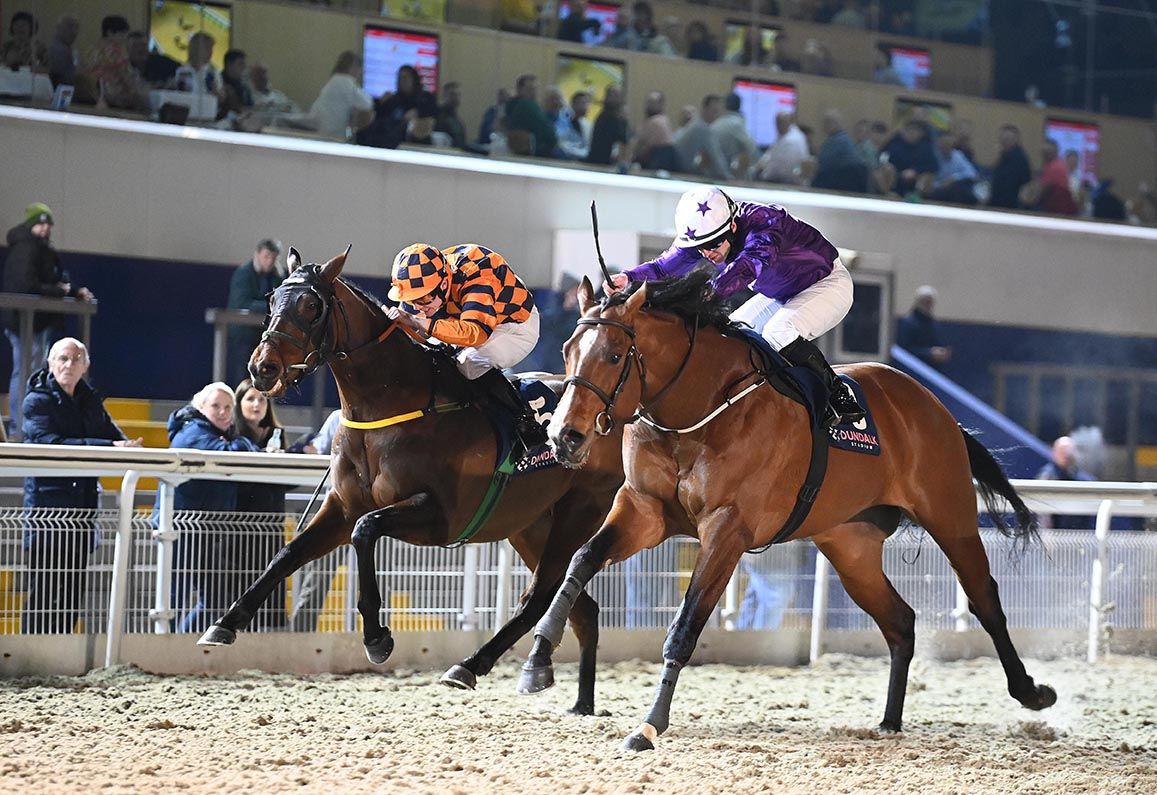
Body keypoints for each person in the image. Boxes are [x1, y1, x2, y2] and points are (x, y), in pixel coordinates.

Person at [605, 187, 864, 426]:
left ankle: (836, 394)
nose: (707, 254)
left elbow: (749, 266)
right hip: (783, 293)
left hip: (828, 283)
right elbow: (664, 266)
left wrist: (708, 292)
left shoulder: (765, 222)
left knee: (779, 331)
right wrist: (628, 277)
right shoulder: (710, 235)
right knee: (731, 333)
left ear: (732, 225)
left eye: (713, 245)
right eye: (700, 249)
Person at [20, 338, 141, 633]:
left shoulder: (89, 400)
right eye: (63, 358)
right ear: (50, 363)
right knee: (43, 592)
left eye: (76, 360)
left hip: (83, 514)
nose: (69, 365)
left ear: (86, 366)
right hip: (47, 516)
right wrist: (110, 445)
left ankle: (63, 656)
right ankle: (34, 654)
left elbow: (113, 435)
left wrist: (124, 445)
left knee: (72, 593)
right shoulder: (36, 400)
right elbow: (50, 444)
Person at [385, 243, 547, 448]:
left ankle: (525, 422)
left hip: (512, 325)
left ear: (444, 284)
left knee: (468, 364)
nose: (418, 307)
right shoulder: (422, 281)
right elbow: (415, 329)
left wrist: (418, 322)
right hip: (463, 317)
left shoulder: (478, 277)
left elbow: (475, 334)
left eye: (424, 299)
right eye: (411, 300)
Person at [167, 382, 261, 633]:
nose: (223, 412)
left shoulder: (216, 433)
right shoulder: (192, 431)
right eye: (216, 406)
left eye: (228, 407)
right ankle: (165, 645)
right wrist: (245, 443)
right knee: (174, 597)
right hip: (182, 530)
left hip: (207, 529)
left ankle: (181, 641)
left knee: (216, 600)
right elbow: (232, 452)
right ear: (200, 407)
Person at [3, 204, 95, 436]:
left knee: (34, 373)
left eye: (48, 224)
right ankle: (21, 428)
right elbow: (28, 285)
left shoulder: (41, 250)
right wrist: (62, 291)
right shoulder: (26, 249)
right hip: (24, 322)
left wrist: (72, 291)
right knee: (25, 372)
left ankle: (31, 425)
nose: (45, 229)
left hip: (38, 322)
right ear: (31, 225)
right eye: (40, 223)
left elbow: (50, 281)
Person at [231, 378, 291, 628]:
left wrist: (286, 461)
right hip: (239, 524)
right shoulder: (232, 434)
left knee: (273, 581)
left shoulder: (277, 434)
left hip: (272, 522)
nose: (257, 404)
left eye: (262, 399)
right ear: (239, 403)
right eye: (250, 399)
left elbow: (286, 484)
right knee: (241, 583)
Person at [226, 239, 286, 384]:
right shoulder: (244, 274)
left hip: (266, 334)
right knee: (243, 375)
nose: (270, 261)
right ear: (257, 254)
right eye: (266, 256)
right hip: (244, 334)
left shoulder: (278, 276)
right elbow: (242, 303)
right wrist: (271, 306)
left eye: (274, 257)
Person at [358, 64, 437, 149]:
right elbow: (380, 115)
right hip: (388, 132)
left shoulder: (425, 98)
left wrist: (418, 112)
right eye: (399, 78)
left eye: (405, 78)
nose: (401, 81)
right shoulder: (394, 99)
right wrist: (380, 102)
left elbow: (434, 111)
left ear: (414, 79)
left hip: (409, 137)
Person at [301, 51, 373, 140]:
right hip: (332, 134)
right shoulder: (345, 82)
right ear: (352, 67)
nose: (359, 73)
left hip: (322, 130)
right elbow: (366, 104)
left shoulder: (334, 80)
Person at [83, 14, 148, 111]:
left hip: (91, 95)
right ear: (110, 33)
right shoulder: (116, 52)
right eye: (122, 34)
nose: (125, 38)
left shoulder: (91, 50)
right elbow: (127, 77)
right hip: (114, 99)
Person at [1036, 436, 1095, 530]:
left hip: (1077, 535)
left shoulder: (1078, 477)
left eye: (1069, 451)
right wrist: (1048, 537)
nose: (1066, 454)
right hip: (1056, 536)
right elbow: (1043, 513)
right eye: (1062, 451)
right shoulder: (1048, 476)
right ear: (1054, 453)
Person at [673, 94, 731, 180]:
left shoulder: (695, 124)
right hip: (679, 169)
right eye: (714, 111)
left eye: (718, 112)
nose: (716, 116)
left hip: (677, 166)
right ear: (705, 109)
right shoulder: (702, 127)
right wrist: (729, 178)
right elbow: (716, 156)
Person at [810, 108, 868, 193]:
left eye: (826, 122)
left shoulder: (838, 142)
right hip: (848, 183)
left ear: (835, 123)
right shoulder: (842, 139)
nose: (823, 126)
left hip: (843, 185)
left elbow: (822, 165)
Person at [895, 286, 951, 370]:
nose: (929, 305)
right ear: (918, 302)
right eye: (926, 301)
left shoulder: (933, 324)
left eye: (930, 302)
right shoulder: (908, 323)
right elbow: (903, 350)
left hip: (932, 370)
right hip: (913, 369)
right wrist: (928, 353)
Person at [503, 74, 559, 158]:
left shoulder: (512, 105)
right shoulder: (526, 105)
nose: (534, 93)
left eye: (535, 89)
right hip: (536, 153)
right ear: (519, 90)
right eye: (530, 89)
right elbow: (549, 134)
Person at [711, 93, 759, 181]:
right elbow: (751, 148)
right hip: (728, 174)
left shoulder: (717, 123)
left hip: (713, 171)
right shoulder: (736, 124)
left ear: (725, 105)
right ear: (740, 106)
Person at [755, 112, 810, 184]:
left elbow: (781, 169)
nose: (778, 125)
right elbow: (769, 155)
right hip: (780, 179)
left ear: (789, 122)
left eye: (781, 122)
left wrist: (763, 173)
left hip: (788, 183)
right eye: (777, 122)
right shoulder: (783, 135)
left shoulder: (793, 140)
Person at [585, 84, 631, 169]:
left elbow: (623, 143)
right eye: (611, 95)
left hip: (610, 164)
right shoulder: (606, 117)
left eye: (617, 95)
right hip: (599, 162)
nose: (614, 98)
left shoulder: (618, 118)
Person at [634, 91, 680, 172]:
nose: (649, 105)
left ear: (660, 105)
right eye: (648, 102)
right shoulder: (664, 120)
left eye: (653, 102)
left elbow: (645, 146)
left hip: (657, 160)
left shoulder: (655, 121)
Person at [607, 1, 676, 56]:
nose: (641, 17)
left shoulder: (658, 41)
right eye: (638, 12)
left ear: (649, 16)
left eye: (644, 13)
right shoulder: (625, 35)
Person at [988, 124, 1032, 210]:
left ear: (1015, 140)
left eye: (1007, 139)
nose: (1004, 142)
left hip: (1008, 206)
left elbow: (1007, 187)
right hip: (1003, 203)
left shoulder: (1018, 160)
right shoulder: (1005, 156)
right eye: (1002, 139)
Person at [928, 132, 980, 205]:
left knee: (961, 189)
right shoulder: (933, 156)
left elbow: (973, 174)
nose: (946, 146)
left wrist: (953, 178)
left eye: (948, 144)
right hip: (936, 190)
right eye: (943, 143)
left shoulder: (957, 155)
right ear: (938, 143)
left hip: (954, 189)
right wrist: (940, 184)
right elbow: (928, 179)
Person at [171, 31, 224, 101]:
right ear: (195, 48)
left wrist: (216, 92)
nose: (210, 52)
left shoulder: (213, 72)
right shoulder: (180, 70)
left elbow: (221, 99)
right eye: (207, 48)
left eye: (211, 48)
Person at [557, 90, 593, 160]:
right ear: (573, 104)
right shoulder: (563, 122)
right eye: (582, 103)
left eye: (587, 103)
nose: (585, 106)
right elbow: (562, 145)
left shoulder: (589, 125)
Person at [46, 15, 80, 88]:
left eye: (76, 27)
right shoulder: (58, 50)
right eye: (70, 27)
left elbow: (76, 70)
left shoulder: (72, 50)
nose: (74, 32)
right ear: (58, 28)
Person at [434, 81, 467, 149]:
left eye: (458, 94)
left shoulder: (456, 119)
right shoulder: (437, 116)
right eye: (452, 94)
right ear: (444, 96)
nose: (456, 97)